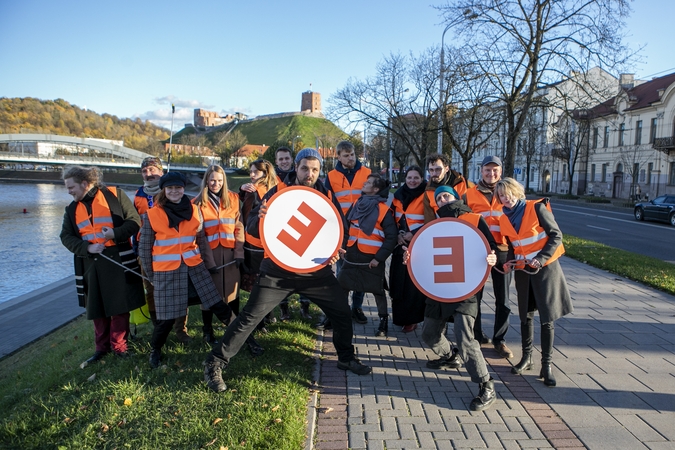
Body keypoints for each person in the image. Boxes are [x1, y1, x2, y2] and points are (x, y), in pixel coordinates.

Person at [203, 148, 372, 393]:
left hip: (315, 272)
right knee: (250, 317)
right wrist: (259, 216)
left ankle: (346, 358)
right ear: (296, 167)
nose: (310, 173)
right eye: (305, 168)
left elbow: (340, 228)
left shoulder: (325, 193)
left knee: (342, 313)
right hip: (277, 271)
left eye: (315, 169)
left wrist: (337, 249)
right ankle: (214, 362)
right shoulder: (277, 191)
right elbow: (250, 228)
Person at [404, 185, 498, 411]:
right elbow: (420, 254)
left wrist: (492, 257)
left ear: (456, 197)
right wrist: (409, 256)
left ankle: (486, 385)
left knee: (465, 339)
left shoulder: (474, 219)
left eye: (447, 195)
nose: (444, 199)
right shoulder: (432, 226)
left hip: (464, 289)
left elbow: (490, 247)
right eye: (439, 197)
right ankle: (450, 356)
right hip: (438, 289)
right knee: (429, 334)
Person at [138, 172, 237, 368]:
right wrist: (152, 277)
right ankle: (155, 350)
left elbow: (201, 242)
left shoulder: (195, 211)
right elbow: (144, 250)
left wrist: (208, 266)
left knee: (219, 306)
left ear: (183, 188)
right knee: (166, 319)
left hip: (195, 269)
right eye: (170, 188)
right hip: (166, 273)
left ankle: (243, 338)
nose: (174, 191)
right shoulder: (151, 215)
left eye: (178, 188)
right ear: (164, 190)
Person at [60, 165, 146, 364]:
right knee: (97, 308)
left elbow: (134, 222)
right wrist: (86, 248)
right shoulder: (71, 208)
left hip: (117, 259)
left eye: (71, 187)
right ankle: (101, 348)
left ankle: (119, 346)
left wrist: (114, 234)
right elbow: (65, 237)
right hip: (90, 264)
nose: (69, 191)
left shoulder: (115, 195)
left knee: (119, 306)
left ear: (84, 183)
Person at [495, 178, 573, 387]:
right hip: (522, 271)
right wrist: (510, 261)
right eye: (501, 195)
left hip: (545, 269)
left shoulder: (536, 208)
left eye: (509, 193)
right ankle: (527, 358)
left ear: (518, 192)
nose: (506, 198)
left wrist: (541, 258)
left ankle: (546, 365)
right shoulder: (504, 218)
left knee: (546, 318)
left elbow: (556, 236)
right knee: (525, 316)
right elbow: (513, 244)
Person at [133, 156, 191, 343]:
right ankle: (159, 327)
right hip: (147, 250)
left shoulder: (172, 193)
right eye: (144, 171)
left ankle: (180, 329)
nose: (149, 174)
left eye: (152, 170)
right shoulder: (138, 195)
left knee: (180, 291)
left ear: (161, 172)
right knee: (152, 290)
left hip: (172, 250)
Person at [464, 156, 513, 359]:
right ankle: (476, 335)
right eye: (487, 170)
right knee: (476, 296)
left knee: (503, 299)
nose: (491, 174)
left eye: (495, 170)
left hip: (502, 250)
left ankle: (500, 340)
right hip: (478, 250)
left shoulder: (509, 193)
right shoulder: (469, 194)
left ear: (500, 172)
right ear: (481, 170)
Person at [192, 165, 246, 345]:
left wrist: (239, 252)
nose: (216, 183)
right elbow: (199, 235)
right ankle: (207, 330)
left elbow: (239, 227)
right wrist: (208, 261)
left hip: (230, 254)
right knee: (208, 295)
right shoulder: (197, 202)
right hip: (210, 254)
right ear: (207, 180)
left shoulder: (233, 198)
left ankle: (233, 329)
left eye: (220, 180)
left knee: (233, 293)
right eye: (213, 180)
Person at [338, 174, 397, 336]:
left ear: (376, 189)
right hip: (351, 253)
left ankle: (383, 323)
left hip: (371, 258)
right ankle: (338, 317)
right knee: (342, 286)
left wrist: (379, 258)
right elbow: (346, 227)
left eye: (368, 182)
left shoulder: (384, 210)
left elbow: (391, 237)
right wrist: (342, 247)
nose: (364, 183)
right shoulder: (357, 203)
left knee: (377, 291)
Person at [324, 140, 371, 327]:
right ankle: (340, 309)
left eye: (352, 154)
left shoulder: (367, 173)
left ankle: (357, 308)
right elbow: (328, 202)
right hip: (342, 231)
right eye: (346, 155)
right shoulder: (331, 176)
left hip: (364, 230)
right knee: (342, 272)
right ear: (339, 157)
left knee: (360, 271)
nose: (351, 158)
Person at [389, 166, 428, 333]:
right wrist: (396, 234)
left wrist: (414, 234)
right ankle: (400, 317)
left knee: (413, 285)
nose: (412, 181)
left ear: (421, 179)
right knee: (397, 282)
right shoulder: (397, 196)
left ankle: (412, 320)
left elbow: (431, 221)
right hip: (399, 245)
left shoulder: (426, 195)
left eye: (416, 178)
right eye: (410, 177)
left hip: (419, 245)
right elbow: (391, 219)